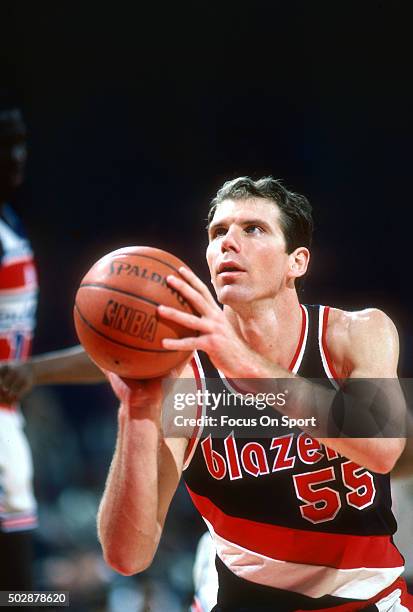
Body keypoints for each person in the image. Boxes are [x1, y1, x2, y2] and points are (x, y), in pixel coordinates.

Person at [97, 176, 411, 611]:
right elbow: (128, 558)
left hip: (366, 599)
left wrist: (240, 362)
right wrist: (135, 413)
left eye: (253, 229)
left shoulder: (356, 333)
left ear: (296, 262)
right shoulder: (186, 381)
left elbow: (382, 447)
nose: (229, 242)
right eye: (217, 232)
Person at [0, 100, 105, 593]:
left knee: (26, 591)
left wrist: (34, 374)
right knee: (26, 591)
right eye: (5, 141)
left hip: (10, 419)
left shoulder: (11, 223)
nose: (16, 154)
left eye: (20, 141)